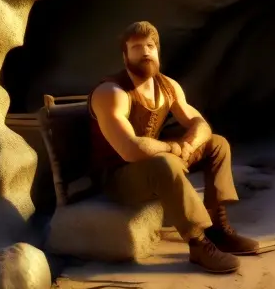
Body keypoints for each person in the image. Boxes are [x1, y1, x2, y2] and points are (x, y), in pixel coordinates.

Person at [88, 21, 258, 274]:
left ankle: (218, 229)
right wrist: (173, 149)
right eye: (136, 47)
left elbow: (200, 123)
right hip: (119, 177)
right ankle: (198, 243)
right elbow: (130, 150)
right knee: (165, 163)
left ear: (158, 51)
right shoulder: (112, 92)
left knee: (217, 144)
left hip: (154, 162)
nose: (145, 52)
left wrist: (188, 145)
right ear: (125, 56)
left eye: (150, 46)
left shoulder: (167, 86)